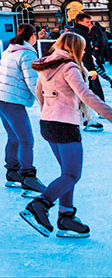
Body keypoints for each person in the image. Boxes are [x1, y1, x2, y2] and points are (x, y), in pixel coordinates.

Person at [21, 32, 112, 238]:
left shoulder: (46, 65)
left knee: (66, 174)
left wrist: (48, 111)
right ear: (75, 48)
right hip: (65, 125)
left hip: (48, 123)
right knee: (72, 175)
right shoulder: (70, 67)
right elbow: (86, 95)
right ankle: (40, 205)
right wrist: (109, 114)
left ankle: (66, 217)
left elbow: (39, 92)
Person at [0, 24, 46, 197]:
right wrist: (44, 103)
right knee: (26, 140)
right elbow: (33, 82)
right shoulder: (27, 53)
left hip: (0, 98)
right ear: (32, 37)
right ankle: (28, 178)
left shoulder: (9, 50)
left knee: (14, 137)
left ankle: (12, 173)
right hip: (12, 101)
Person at [69, 13, 105, 131]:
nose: (90, 24)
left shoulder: (73, 32)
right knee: (84, 92)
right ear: (79, 22)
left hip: (74, 66)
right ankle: (90, 119)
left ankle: (85, 118)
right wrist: (91, 70)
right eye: (87, 22)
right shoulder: (81, 34)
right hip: (81, 67)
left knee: (80, 93)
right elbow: (85, 54)